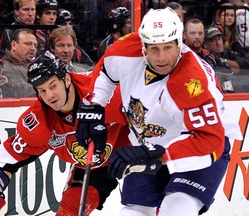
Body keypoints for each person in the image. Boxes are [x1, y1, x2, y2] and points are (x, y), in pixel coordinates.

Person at [76, 7, 242, 216]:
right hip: (149, 144)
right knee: (131, 213)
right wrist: (94, 106)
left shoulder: (193, 82)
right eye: (154, 49)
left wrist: (160, 155)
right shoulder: (126, 49)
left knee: (177, 209)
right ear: (143, 46)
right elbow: (106, 71)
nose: (161, 57)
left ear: (179, 45)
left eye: (167, 48)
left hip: (197, 145)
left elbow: (210, 140)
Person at [0, 50, 130, 216]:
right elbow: (7, 159)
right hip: (94, 166)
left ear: (66, 79)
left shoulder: (105, 92)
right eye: (42, 91)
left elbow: (149, 114)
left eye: (53, 86)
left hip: (137, 152)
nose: (49, 96)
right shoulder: (40, 120)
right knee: (70, 209)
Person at [1, 28, 37, 97]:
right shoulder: (5, 68)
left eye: (35, 45)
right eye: (28, 44)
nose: (33, 48)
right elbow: (24, 92)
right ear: (14, 45)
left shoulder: (34, 66)